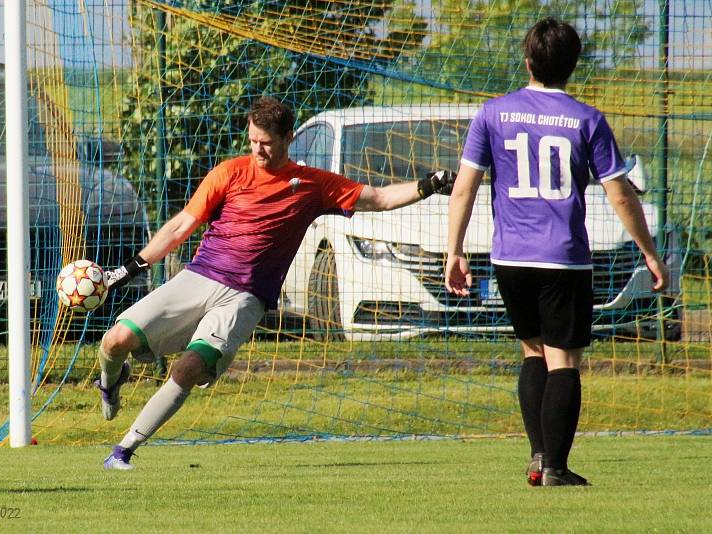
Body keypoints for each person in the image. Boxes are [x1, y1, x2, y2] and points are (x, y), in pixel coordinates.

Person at [96, 96, 454, 470]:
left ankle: (122, 452)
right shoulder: (229, 173)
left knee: (187, 368)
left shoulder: (313, 184)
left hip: (245, 298)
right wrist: (128, 269)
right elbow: (181, 225)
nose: (257, 150)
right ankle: (110, 380)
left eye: (265, 142)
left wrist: (429, 184)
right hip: (200, 276)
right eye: (252, 141)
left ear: (287, 138)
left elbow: (378, 198)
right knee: (115, 340)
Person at [444, 18, 669, 486]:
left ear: (527, 61)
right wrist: (649, 252)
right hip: (563, 258)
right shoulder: (588, 119)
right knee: (563, 360)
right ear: (572, 66)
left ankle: (538, 455)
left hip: (509, 258)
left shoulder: (493, 113)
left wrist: (455, 251)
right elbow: (620, 194)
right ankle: (556, 468)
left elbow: (463, 189)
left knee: (531, 352)